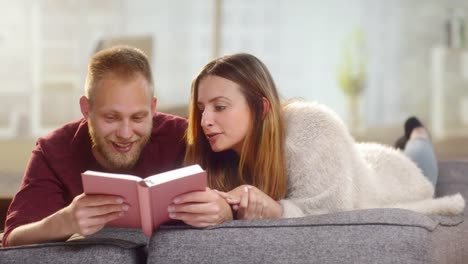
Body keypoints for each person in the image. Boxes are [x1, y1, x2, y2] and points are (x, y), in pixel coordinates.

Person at [171, 53, 464, 223]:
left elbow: (331, 212)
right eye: (200, 109)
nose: (205, 120)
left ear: (261, 108)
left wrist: (274, 209)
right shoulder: (213, 154)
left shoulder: (310, 125)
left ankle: (416, 132)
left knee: (421, 163)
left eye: (220, 107)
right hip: (346, 160)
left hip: (386, 177)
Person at [3, 46, 191, 247]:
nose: (125, 133)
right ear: (87, 109)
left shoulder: (185, 136)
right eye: (111, 118)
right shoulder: (53, 150)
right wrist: (65, 222)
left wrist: (223, 208)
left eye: (138, 117)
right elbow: (12, 239)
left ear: (152, 109)